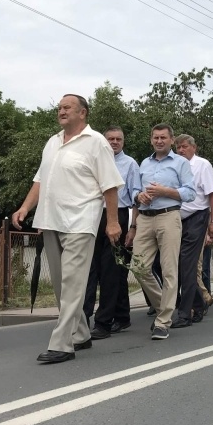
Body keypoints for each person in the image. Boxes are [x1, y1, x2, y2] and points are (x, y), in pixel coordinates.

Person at [12, 94, 123, 364]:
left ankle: (62, 343)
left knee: (73, 283)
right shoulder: (52, 142)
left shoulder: (96, 142)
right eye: (59, 108)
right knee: (62, 286)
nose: (61, 111)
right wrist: (25, 208)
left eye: (67, 107)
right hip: (51, 220)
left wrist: (112, 221)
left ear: (82, 113)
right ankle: (81, 332)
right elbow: (40, 180)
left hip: (81, 221)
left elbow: (109, 185)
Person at [130, 123, 195, 341]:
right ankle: (163, 306)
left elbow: (190, 193)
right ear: (151, 140)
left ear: (171, 140)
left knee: (169, 270)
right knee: (138, 267)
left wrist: (164, 191)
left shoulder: (181, 163)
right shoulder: (144, 163)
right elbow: (135, 190)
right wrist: (139, 196)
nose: (159, 141)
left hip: (169, 216)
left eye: (163, 138)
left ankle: (163, 322)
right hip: (145, 218)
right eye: (156, 137)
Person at [84, 126, 141, 340]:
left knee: (112, 271)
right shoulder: (94, 160)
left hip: (118, 215)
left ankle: (104, 322)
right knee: (92, 269)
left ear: (123, 142)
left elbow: (135, 195)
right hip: (93, 215)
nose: (114, 142)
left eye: (118, 139)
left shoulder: (130, 164)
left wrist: (133, 227)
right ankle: (115, 315)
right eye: (111, 139)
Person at [173, 134, 213, 328]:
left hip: (197, 217)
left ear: (194, 147)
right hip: (177, 219)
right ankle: (199, 303)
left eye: (184, 147)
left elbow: (212, 194)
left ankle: (186, 313)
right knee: (176, 264)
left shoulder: (202, 165)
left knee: (188, 264)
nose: (181, 150)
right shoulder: (175, 164)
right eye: (178, 148)